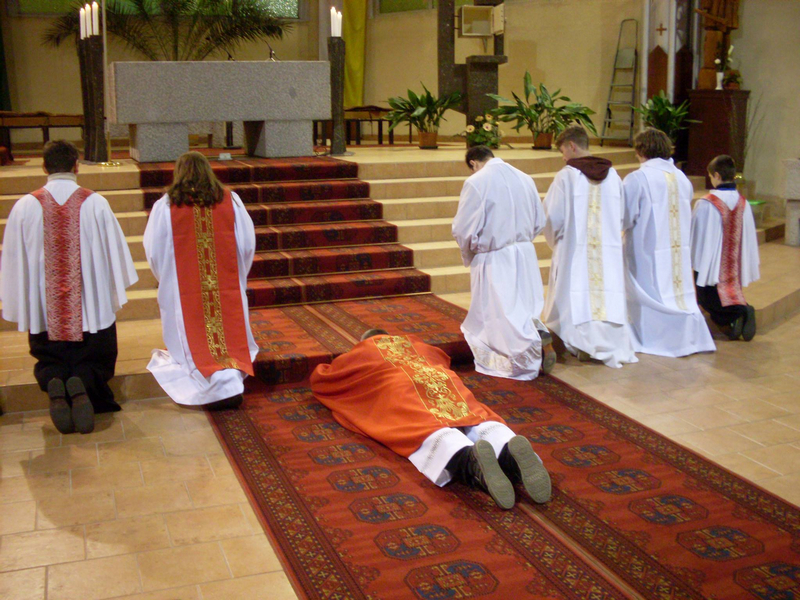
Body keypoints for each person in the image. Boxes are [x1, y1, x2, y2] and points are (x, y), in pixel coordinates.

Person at [310, 329, 552, 510]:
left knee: (420, 424)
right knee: (471, 414)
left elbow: (324, 379)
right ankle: (507, 449)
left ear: (364, 341)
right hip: (436, 378)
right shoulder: (413, 343)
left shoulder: (361, 352)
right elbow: (442, 358)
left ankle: (469, 460)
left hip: (399, 386)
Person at [0, 140, 138, 434]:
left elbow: (13, 259)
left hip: (45, 305)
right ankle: (83, 383)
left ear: (44, 167)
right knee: (95, 351)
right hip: (89, 302)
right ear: (76, 166)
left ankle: (54, 380)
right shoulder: (96, 203)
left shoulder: (24, 206)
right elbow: (114, 253)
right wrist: (107, 288)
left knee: (48, 351)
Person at [143, 151, 258, 408]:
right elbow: (246, 244)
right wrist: (237, 274)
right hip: (226, 287)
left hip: (185, 294)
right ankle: (228, 379)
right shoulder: (231, 200)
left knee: (192, 342)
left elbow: (154, 251)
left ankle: (214, 384)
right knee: (226, 338)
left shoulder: (165, 206)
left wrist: (169, 279)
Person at [451, 145, 555, 380]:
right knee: (523, 306)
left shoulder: (477, 182)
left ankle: (523, 353)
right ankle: (537, 335)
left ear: (473, 163)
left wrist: (470, 251)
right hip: (525, 254)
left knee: (500, 316)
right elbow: (539, 220)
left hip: (495, 257)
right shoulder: (525, 178)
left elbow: (464, 228)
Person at [542, 125, 637, 368]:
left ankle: (580, 343)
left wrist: (557, 242)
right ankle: (605, 343)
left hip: (574, 249)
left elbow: (552, 217)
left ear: (572, 146)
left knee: (575, 294)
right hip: (607, 250)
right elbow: (622, 215)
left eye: (563, 151)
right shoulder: (613, 175)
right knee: (606, 295)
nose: (563, 157)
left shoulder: (567, 176)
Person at [622, 128, 716, 357]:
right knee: (678, 293)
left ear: (641, 150)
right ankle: (686, 337)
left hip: (646, 249)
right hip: (676, 249)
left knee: (649, 288)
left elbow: (624, 216)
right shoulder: (681, 178)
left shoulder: (638, 178)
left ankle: (653, 337)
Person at [691, 155, 760, 341]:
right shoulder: (743, 202)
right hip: (732, 263)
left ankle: (741, 312)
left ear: (717, 175)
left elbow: (696, 232)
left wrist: (693, 256)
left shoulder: (706, 202)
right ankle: (734, 323)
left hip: (710, 263)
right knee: (728, 293)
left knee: (705, 297)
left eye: (710, 176)